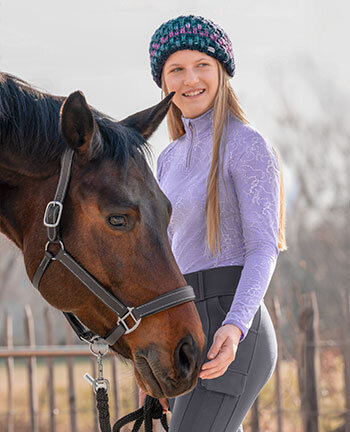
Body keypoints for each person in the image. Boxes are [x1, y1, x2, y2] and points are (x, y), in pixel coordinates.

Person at [140, 15, 287, 431]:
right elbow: (164, 259)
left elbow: (263, 249)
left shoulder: (247, 144)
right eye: (176, 69)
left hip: (233, 324)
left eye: (202, 64)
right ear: (164, 83)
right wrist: (155, 357)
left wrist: (236, 327)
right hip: (183, 323)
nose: (191, 79)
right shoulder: (167, 159)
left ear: (221, 70)